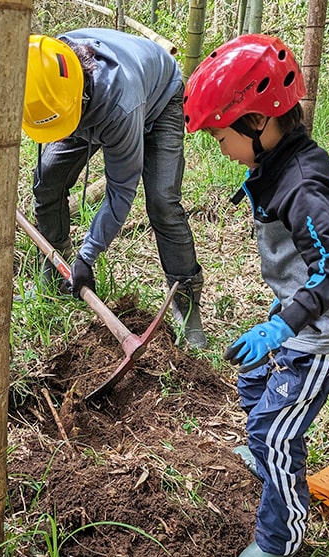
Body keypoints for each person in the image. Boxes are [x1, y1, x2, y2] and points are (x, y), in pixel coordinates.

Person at [183, 34, 329, 557]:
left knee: (278, 431)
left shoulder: (304, 185)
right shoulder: (277, 164)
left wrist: (282, 326)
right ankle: (264, 456)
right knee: (252, 380)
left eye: (222, 135)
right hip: (299, 315)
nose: (221, 148)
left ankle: (284, 533)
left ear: (256, 122)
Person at [22, 29, 207, 349]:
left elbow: (121, 192)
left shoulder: (120, 103)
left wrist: (88, 256)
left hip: (160, 96)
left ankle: (187, 306)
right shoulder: (44, 66)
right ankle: (56, 267)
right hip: (77, 104)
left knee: (163, 200)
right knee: (47, 180)